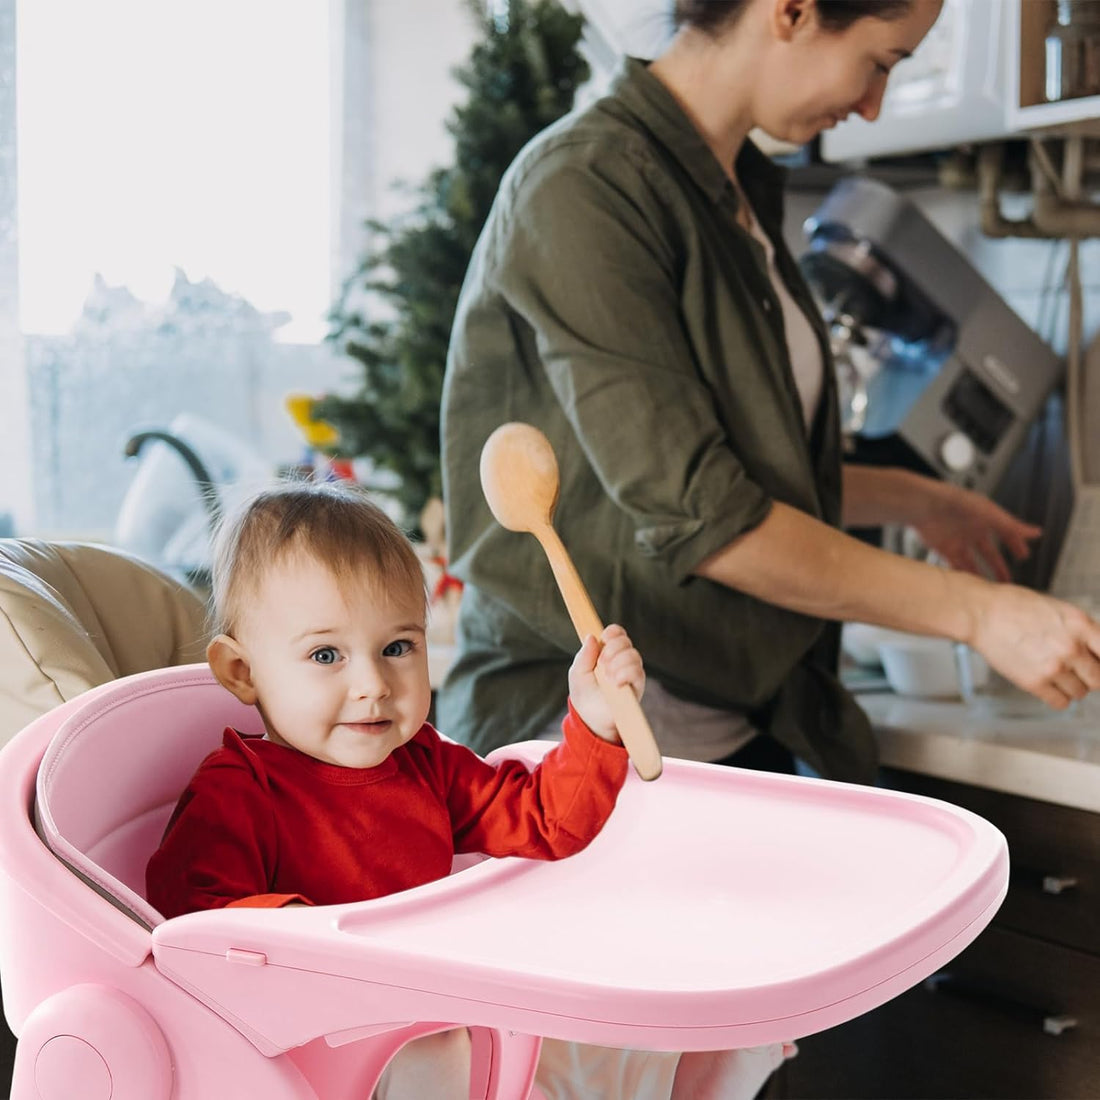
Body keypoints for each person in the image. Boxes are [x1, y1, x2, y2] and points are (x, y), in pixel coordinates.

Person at [439, 0, 1100, 784]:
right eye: (881, 62)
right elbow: (709, 519)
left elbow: (728, 472)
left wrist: (919, 500)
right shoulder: (589, 185)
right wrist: (977, 612)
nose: (871, 105)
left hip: (721, 727)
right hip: (571, 745)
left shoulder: (732, 195)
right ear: (789, 10)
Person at [145, 481, 790, 1100]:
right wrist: (309, 937)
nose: (373, 683)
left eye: (398, 646)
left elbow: (545, 822)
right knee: (439, 1047)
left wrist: (595, 720)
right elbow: (193, 920)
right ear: (241, 671)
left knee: (612, 996)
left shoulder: (425, 762)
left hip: (444, 1005)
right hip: (319, 1041)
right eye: (326, 656)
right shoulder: (238, 789)